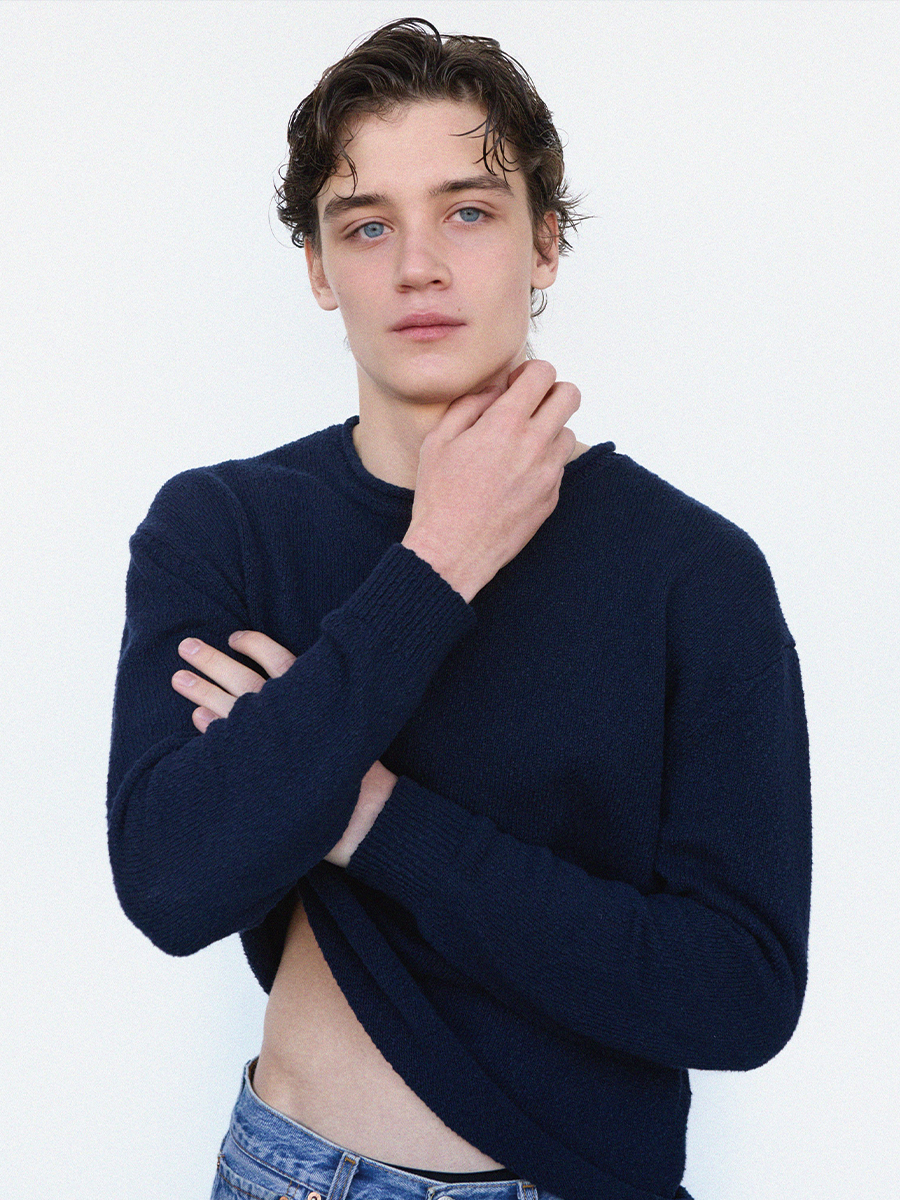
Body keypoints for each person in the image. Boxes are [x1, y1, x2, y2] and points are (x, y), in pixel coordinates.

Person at [107, 18, 811, 1200]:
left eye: (468, 212)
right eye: (366, 224)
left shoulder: (696, 573)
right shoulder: (225, 528)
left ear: (545, 243)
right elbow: (173, 886)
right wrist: (436, 563)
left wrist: (365, 815)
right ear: (320, 270)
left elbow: (738, 993)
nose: (417, 266)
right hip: (293, 1174)